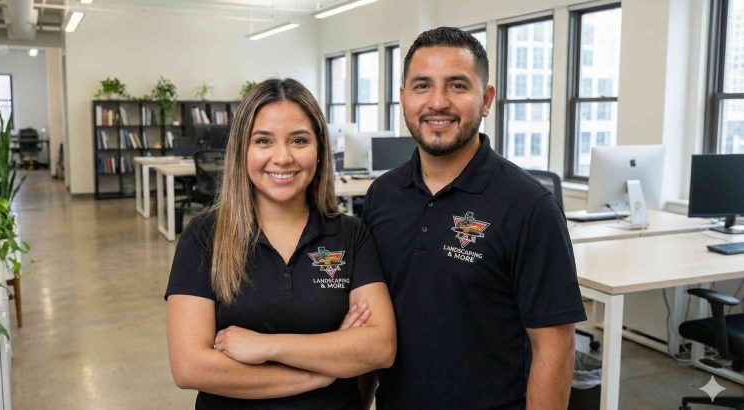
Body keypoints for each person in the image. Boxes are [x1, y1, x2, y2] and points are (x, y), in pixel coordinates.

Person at [361, 27, 587, 409]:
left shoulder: (530, 207)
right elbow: (367, 319)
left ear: (486, 99)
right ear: (403, 98)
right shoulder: (381, 196)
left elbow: (555, 347)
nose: (438, 102)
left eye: (457, 85)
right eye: (422, 86)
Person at [166, 78, 396, 409]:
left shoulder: (350, 234)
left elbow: (380, 347)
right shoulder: (205, 236)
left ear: (320, 151)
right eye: (263, 141)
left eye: (299, 140)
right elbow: (190, 367)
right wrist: (322, 372)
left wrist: (266, 346)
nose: (283, 157)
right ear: (242, 151)